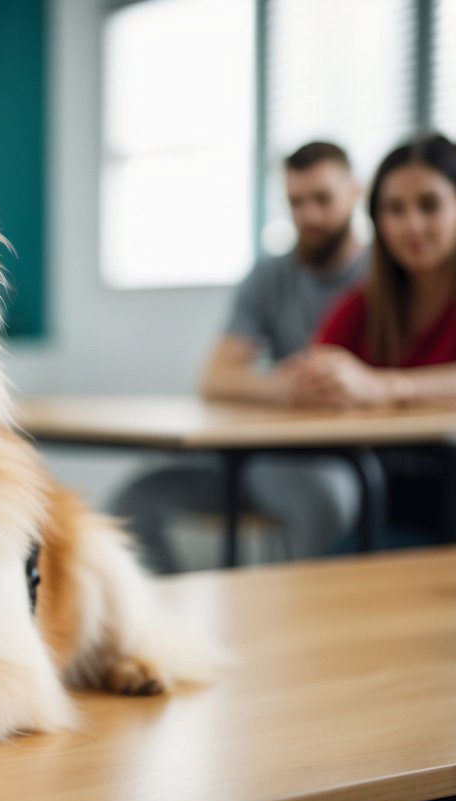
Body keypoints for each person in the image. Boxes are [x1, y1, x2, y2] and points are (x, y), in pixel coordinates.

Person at [109, 141, 370, 572]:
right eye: (296, 202)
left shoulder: (383, 276)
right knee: (131, 503)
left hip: (337, 462)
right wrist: (282, 388)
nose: (309, 215)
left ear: (355, 193)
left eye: (322, 199)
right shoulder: (271, 274)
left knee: (327, 498)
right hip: (262, 454)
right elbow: (214, 377)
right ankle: (163, 625)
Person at [297, 133, 456, 544]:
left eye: (429, 205)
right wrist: (319, 381)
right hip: (386, 508)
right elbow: (317, 373)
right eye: (394, 209)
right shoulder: (359, 308)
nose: (412, 225)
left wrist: (388, 386)